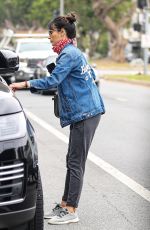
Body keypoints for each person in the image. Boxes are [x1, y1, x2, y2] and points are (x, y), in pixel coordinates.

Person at [9, 12, 105, 225]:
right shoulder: (71, 51)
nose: (49, 36)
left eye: (51, 32)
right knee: (72, 161)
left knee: (75, 163)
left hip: (86, 112)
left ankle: (71, 209)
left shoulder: (69, 54)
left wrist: (23, 84)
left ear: (62, 32)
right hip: (85, 112)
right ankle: (64, 205)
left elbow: (53, 80)